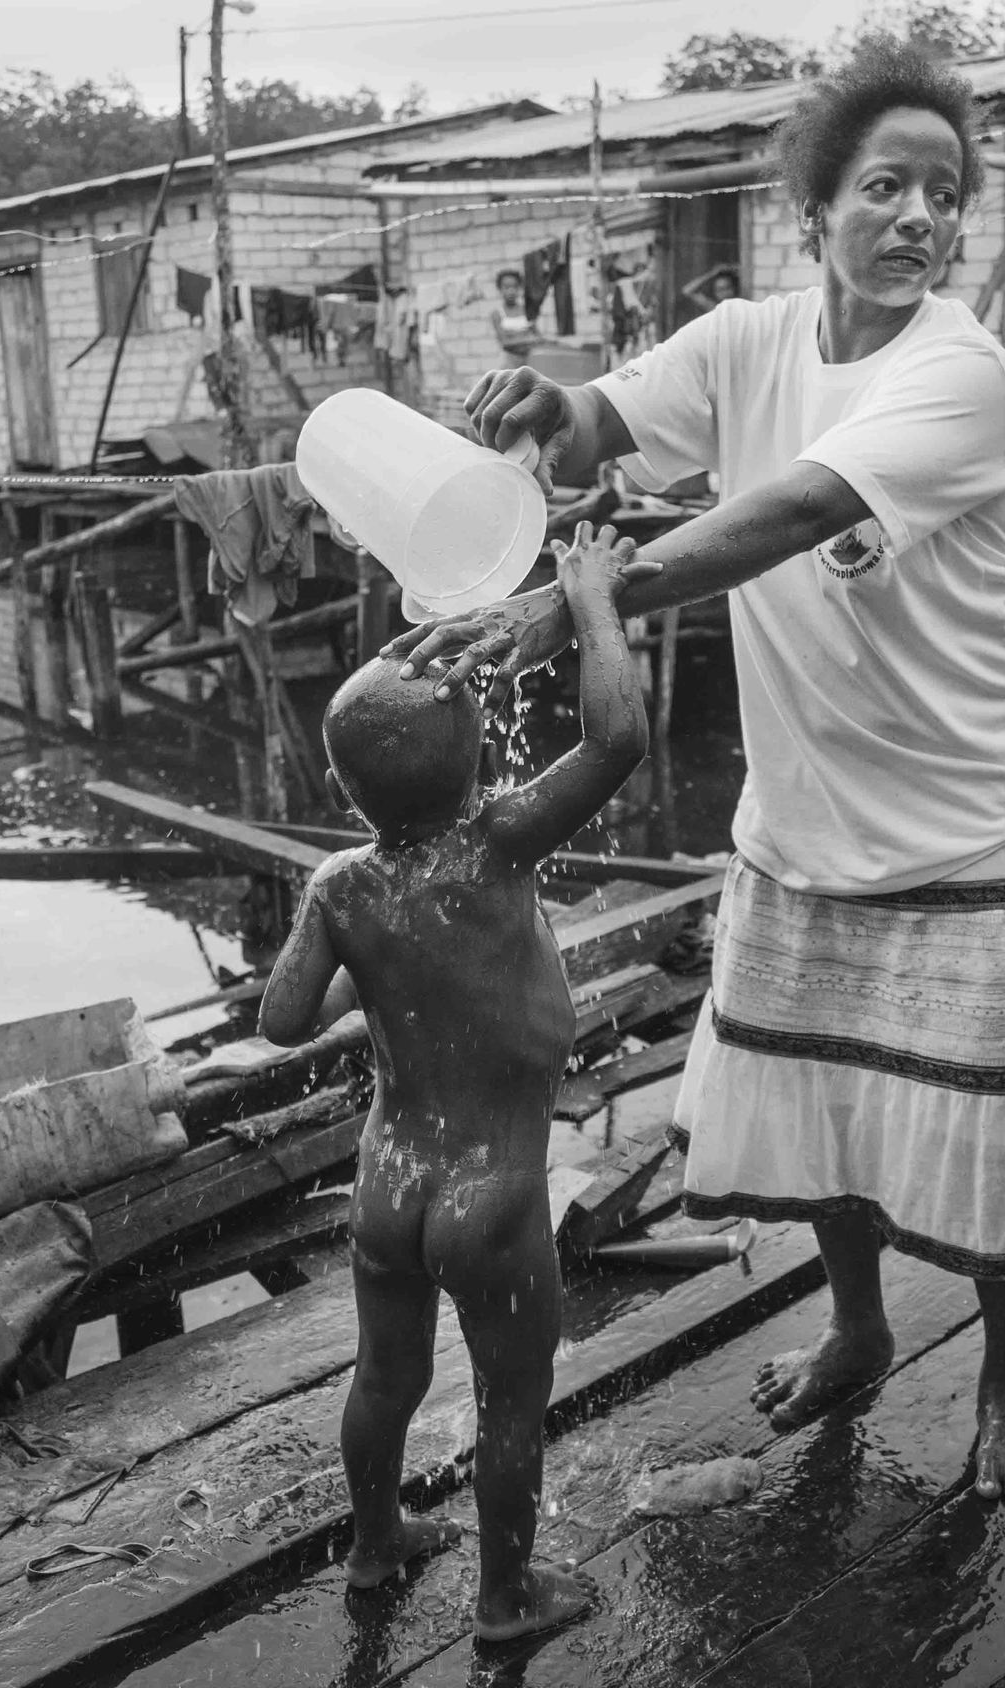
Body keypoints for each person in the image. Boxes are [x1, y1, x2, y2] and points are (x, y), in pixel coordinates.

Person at [386, 36, 1005, 1505]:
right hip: (806, 813)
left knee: (992, 1113)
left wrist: (574, 603)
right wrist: (537, 408)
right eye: (884, 186)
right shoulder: (746, 341)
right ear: (813, 204)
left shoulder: (964, 371)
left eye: (943, 197)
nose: (917, 220)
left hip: (966, 811)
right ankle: (861, 1326)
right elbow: (601, 424)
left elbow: (785, 512)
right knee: (820, 1097)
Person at [259, 523, 653, 1638]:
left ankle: (376, 1549)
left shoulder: (343, 883)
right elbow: (617, 734)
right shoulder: (496, 840)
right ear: (474, 755)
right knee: (509, 1401)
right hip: (491, 1192)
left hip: (386, 1182)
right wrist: (589, 603)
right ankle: (503, 1597)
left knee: (385, 1374)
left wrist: (366, 976)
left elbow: (282, 1016)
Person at [491, 268, 538, 365]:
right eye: (507, 287)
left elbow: (537, 336)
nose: (511, 291)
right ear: (500, 289)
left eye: (515, 287)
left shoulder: (527, 310)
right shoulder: (497, 314)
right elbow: (504, 342)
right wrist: (526, 338)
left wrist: (515, 337)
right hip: (509, 363)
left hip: (529, 362)